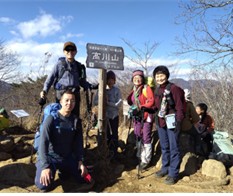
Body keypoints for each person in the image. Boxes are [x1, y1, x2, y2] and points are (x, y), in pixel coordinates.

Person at [35, 90, 91, 192]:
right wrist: (45, 166)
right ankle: (45, 169)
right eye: (67, 100)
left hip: (67, 157)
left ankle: (64, 171)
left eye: (73, 101)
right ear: (60, 102)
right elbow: (43, 143)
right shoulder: (51, 119)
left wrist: (80, 161)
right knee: (43, 185)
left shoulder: (76, 121)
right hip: (50, 157)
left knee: (86, 178)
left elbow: (78, 144)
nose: (69, 103)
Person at [40, 41, 97, 118]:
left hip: (75, 95)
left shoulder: (79, 66)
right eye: (67, 50)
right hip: (61, 95)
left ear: (76, 52)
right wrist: (44, 91)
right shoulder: (59, 64)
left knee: (74, 117)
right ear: (64, 52)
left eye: (72, 50)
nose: (70, 52)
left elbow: (82, 82)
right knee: (61, 116)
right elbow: (50, 79)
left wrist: (92, 86)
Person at [153, 65, 185, 185]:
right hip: (161, 122)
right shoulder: (157, 90)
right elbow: (156, 107)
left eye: (162, 75)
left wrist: (178, 121)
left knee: (174, 148)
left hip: (172, 122)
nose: (160, 78)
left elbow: (179, 107)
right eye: (157, 76)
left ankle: (173, 174)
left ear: (167, 76)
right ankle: (165, 168)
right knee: (165, 147)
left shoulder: (173, 88)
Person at [127, 70, 155, 170]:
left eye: (139, 77)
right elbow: (130, 101)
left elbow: (151, 101)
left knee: (146, 136)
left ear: (142, 79)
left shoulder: (146, 88)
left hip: (147, 116)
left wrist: (141, 107)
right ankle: (139, 155)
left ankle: (145, 160)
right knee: (138, 135)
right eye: (135, 78)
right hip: (137, 117)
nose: (137, 79)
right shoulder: (134, 90)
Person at [93, 70, 122, 160]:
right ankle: (107, 152)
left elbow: (118, 104)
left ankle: (115, 152)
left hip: (114, 115)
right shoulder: (101, 90)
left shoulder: (117, 90)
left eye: (112, 79)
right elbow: (95, 101)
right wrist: (102, 101)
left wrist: (108, 103)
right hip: (104, 116)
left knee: (114, 133)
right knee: (106, 134)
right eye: (108, 79)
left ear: (114, 80)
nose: (110, 81)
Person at [180, 89, 201, 154]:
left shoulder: (176, 102)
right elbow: (196, 118)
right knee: (197, 135)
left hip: (175, 125)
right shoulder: (188, 104)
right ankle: (198, 150)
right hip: (186, 126)